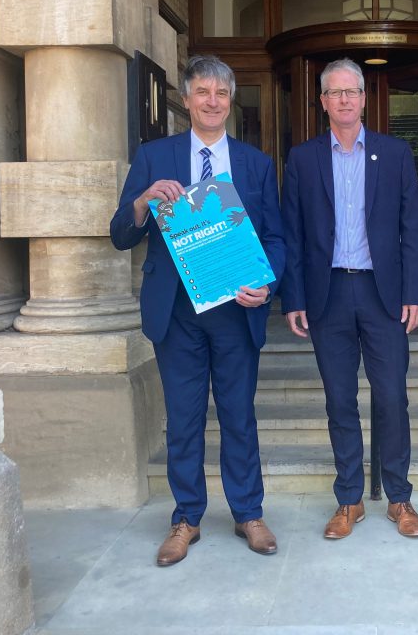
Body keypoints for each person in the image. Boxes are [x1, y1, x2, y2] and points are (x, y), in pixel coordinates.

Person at [110, 54, 285, 565]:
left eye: (222, 93)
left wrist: (267, 284)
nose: (212, 101)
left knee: (238, 417)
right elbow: (121, 233)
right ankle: (186, 517)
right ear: (185, 100)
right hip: (177, 313)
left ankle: (248, 513)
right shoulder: (154, 156)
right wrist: (143, 201)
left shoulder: (255, 163)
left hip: (235, 310)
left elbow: (274, 236)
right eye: (203, 92)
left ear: (231, 101)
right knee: (183, 420)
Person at [280, 57, 418, 540]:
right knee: (340, 400)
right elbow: (294, 234)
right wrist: (293, 298)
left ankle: (400, 498)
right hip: (328, 295)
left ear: (365, 99)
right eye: (334, 92)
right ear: (322, 101)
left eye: (352, 91)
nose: (344, 100)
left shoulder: (395, 152)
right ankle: (349, 500)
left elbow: (411, 227)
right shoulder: (302, 159)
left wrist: (415, 292)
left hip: (382, 294)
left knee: (392, 397)